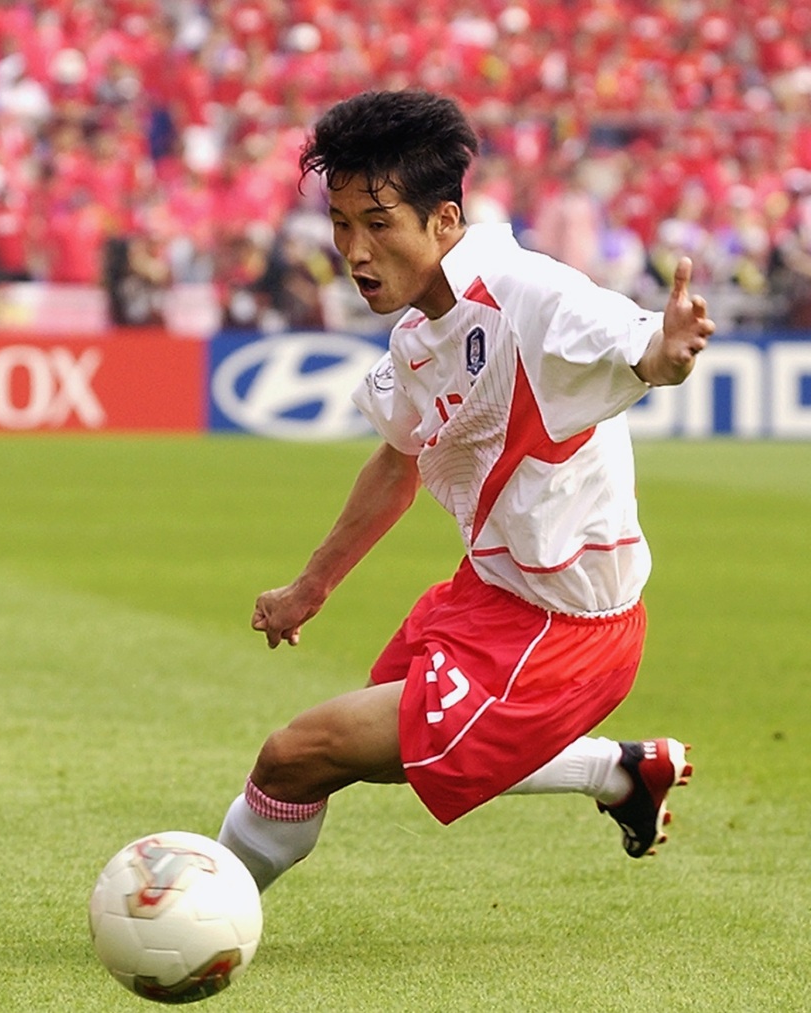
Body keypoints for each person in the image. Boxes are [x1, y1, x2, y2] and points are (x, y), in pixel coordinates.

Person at [215, 91, 713, 893]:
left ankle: (204, 902)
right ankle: (624, 773)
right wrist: (311, 586)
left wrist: (670, 349)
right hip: (487, 595)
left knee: (297, 754)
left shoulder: (531, 297)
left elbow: (638, 346)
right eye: (342, 224)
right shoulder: (419, 330)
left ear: (444, 220)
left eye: (379, 224)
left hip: (566, 629)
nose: (355, 249)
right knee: (391, 748)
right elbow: (395, 461)